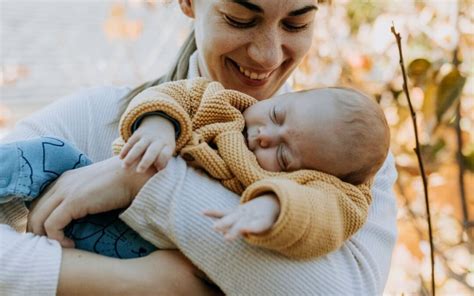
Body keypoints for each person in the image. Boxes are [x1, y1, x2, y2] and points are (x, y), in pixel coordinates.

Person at [0, 0, 398, 295]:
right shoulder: (96, 116)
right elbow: (172, 103)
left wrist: (144, 184)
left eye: (297, 23)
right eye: (240, 19)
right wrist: (142, 284)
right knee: (45, 156)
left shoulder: (347, 158)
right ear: (189, 3)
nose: (267, 54)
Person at [0, 78, 389, 260]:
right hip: (90, 197)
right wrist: (158, 125)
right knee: (50, 153)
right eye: (276, 114)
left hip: (136, 248)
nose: (266, 136)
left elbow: (322, 215)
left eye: (284, 156)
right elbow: (173, 95)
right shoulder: (223, 103)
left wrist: (272, 207)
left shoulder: (329, 190)